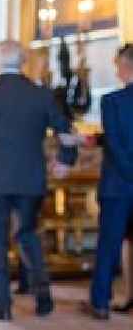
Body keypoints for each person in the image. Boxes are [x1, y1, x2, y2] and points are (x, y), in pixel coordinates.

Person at [0, 40, 78, 321]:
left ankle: (2, 306)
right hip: (31, 178)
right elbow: (66, 131)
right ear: (23, 62)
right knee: (28, 236)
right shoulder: (41, 95)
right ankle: (43, 298)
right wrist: (65, 159)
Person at [81, 43, 133, 320]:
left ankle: (100, 302)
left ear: (125, 67)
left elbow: (116, 144)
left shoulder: (112, 101)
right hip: (123, 182)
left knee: (109, 245)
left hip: (118, 186)